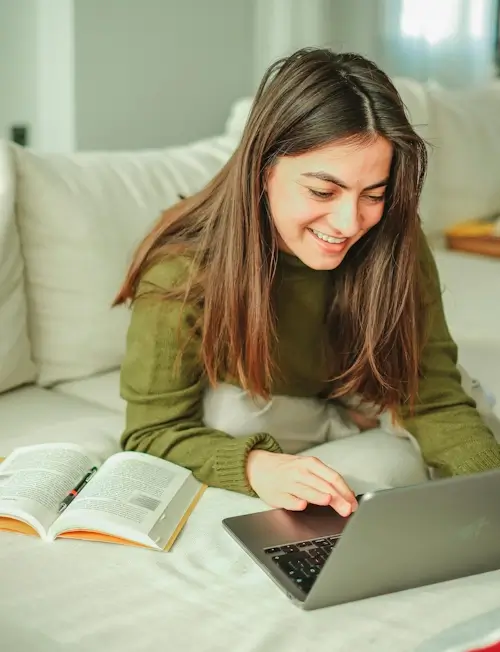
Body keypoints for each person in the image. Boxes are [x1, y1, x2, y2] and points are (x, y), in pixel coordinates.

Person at [114, 48, 500, 517]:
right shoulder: (184, 267)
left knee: (471, 413)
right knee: (226, 417)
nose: (348, 222)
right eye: (323, 191)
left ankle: (361, 418)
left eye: (373, 194)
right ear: (263, 168)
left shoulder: (392, 233)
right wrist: (255, 466)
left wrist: (489, 490)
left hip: (363, 374)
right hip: (265, 399)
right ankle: (353, 423)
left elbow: (434, 393)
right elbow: (150, 431)